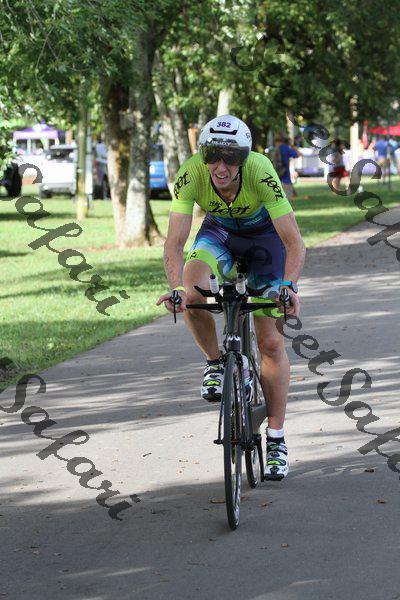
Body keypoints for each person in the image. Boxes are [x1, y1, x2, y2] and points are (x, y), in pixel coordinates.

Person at [156, 115, 306, 480]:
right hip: (218, 235)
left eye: (231, 158)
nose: (220, 167)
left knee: (270, 342)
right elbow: (175, 242)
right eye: (212, 156)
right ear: (202, 154)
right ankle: (215, 362)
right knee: (193, 292)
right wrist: (176, 288)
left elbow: (294, 242)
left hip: (264, 242)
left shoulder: (261, 172)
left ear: (244, 158)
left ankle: (276, 439)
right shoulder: (192, 172)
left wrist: (288, 286)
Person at [273, 133, 299, 200]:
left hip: (275, 178)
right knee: (287, 201)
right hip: (285, 178)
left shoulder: (273, 148)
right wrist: (292, 145)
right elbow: (296, 155)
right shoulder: (285, 148)